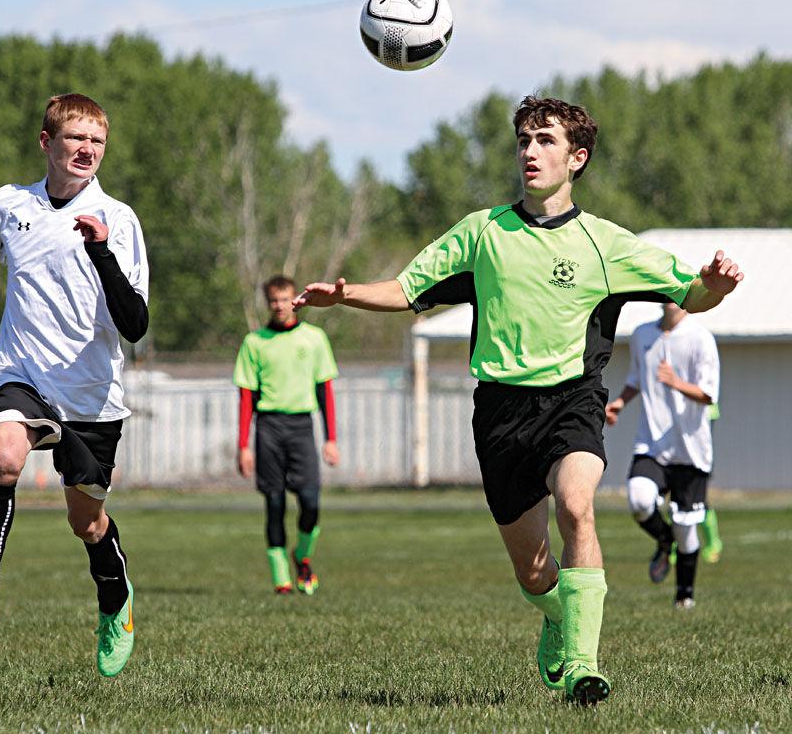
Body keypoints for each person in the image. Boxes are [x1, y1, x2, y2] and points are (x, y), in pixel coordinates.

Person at [294, 96, 743, 704]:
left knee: (577, 506)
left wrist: (712, 286)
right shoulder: (482, 233)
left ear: (576, 157)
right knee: (534, 574)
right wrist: (344, 297)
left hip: (572, 400)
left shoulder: (605, 243)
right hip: (501, 413)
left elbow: (691, 294)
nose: (530, 152)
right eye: (524, 140)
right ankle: (557, 614)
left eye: (546, 140)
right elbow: (408, 289)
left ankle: (584, 664)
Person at [0, 93, 149, 677]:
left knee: (86, 522)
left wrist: (99, 250)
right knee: (3, 459)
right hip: (22, 372)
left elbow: (134, 326)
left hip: (91, 394)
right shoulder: (10, 205)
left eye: (97, 141)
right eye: (75, 138)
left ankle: (115, 600)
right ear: (46, 143)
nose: (87, 150)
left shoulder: (119, 221)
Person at [604, 302, 719, 609]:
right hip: (652, 445)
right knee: (639, 499)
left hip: (690, 450)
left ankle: (684, 595)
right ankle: (662, 540)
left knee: (686, 528)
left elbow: (709, 394)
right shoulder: (642, 335)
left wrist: (675, 382)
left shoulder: (700, 338)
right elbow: (636, 379)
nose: (672, 297)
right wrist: (619, 403)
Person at [234, 275, 340, 595]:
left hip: (301, 427)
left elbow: (326, 392)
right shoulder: (254, 342)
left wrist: (331, 438)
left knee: (310, 501)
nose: (280, 306)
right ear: (268, 303)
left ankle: (302, 555)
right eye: (274, 300)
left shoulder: (314, 339)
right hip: (268, 428)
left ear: (296, 301)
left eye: (285, 299)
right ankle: (281, 578)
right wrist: (243, 446)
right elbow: (246, 398)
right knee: (275, 502)